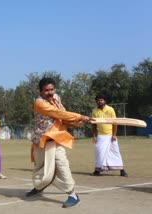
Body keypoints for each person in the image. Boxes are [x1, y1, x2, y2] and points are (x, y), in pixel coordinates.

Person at [26, 77, 91, 208]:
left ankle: (72, 194)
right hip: (41, 140)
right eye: (46, 90)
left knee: (61, 165)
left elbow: (63, 117)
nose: (49, 93)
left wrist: (77, 122)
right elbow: (58, 113)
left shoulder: (56, 98)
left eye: (51, 89)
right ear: (40, 91)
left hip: (56, 139)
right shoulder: (39, 103)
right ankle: (40, 187)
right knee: (40, 168)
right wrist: (80, 116)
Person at [91, 94, 128, 177]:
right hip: (100, 135)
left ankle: (122, 171)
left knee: (115, 152)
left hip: (110, 135)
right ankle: (97, 171)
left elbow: (115, 123)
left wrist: (114, 135)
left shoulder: (110, 109)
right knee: (99, 153)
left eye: (101, 100)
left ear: (105, 101)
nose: (100, 101)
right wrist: (94, 136)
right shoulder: (94, 111)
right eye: (98, 100)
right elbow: (93, 125)